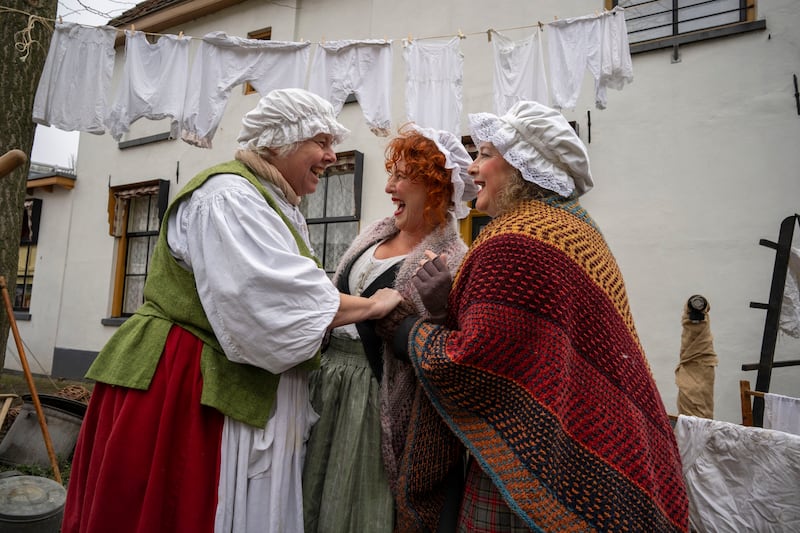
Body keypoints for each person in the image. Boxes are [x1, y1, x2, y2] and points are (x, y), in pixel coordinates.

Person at [62, 88, 402, 533]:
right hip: (184, 380)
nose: (329, 155)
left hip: (212, 373)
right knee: (179, 506)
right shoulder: (227, 197)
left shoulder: (269, 198)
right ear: (282, 142)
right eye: (320, 142)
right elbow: (275, 298)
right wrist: (375, 305)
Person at [389, 101, 690, 532]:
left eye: (486, 154)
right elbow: (526, 345)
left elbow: (474, 361)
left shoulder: (514, 240)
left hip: (537, 462)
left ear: (522, 166)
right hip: (594, 443)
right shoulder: (576, 227)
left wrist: (405, 330)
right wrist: (445, 306)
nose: (473, 169)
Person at [302, 123, 478, 533]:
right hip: (329, 387)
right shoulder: (374, 233)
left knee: (356, 503)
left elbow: (453, 350)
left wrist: (437, 312)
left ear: (435, 188)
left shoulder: (453, 258)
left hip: (376, 400)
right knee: (313, 492)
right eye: (391, 175)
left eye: (402, 177)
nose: (389, 187)